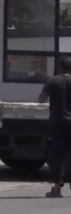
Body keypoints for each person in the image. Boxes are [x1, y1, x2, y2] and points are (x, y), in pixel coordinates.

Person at [39, 55, 71, 198]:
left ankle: (57, 188)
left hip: (58, 123)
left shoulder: (53, 81)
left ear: (59, 67)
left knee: (58, 155)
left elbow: (42, 99)